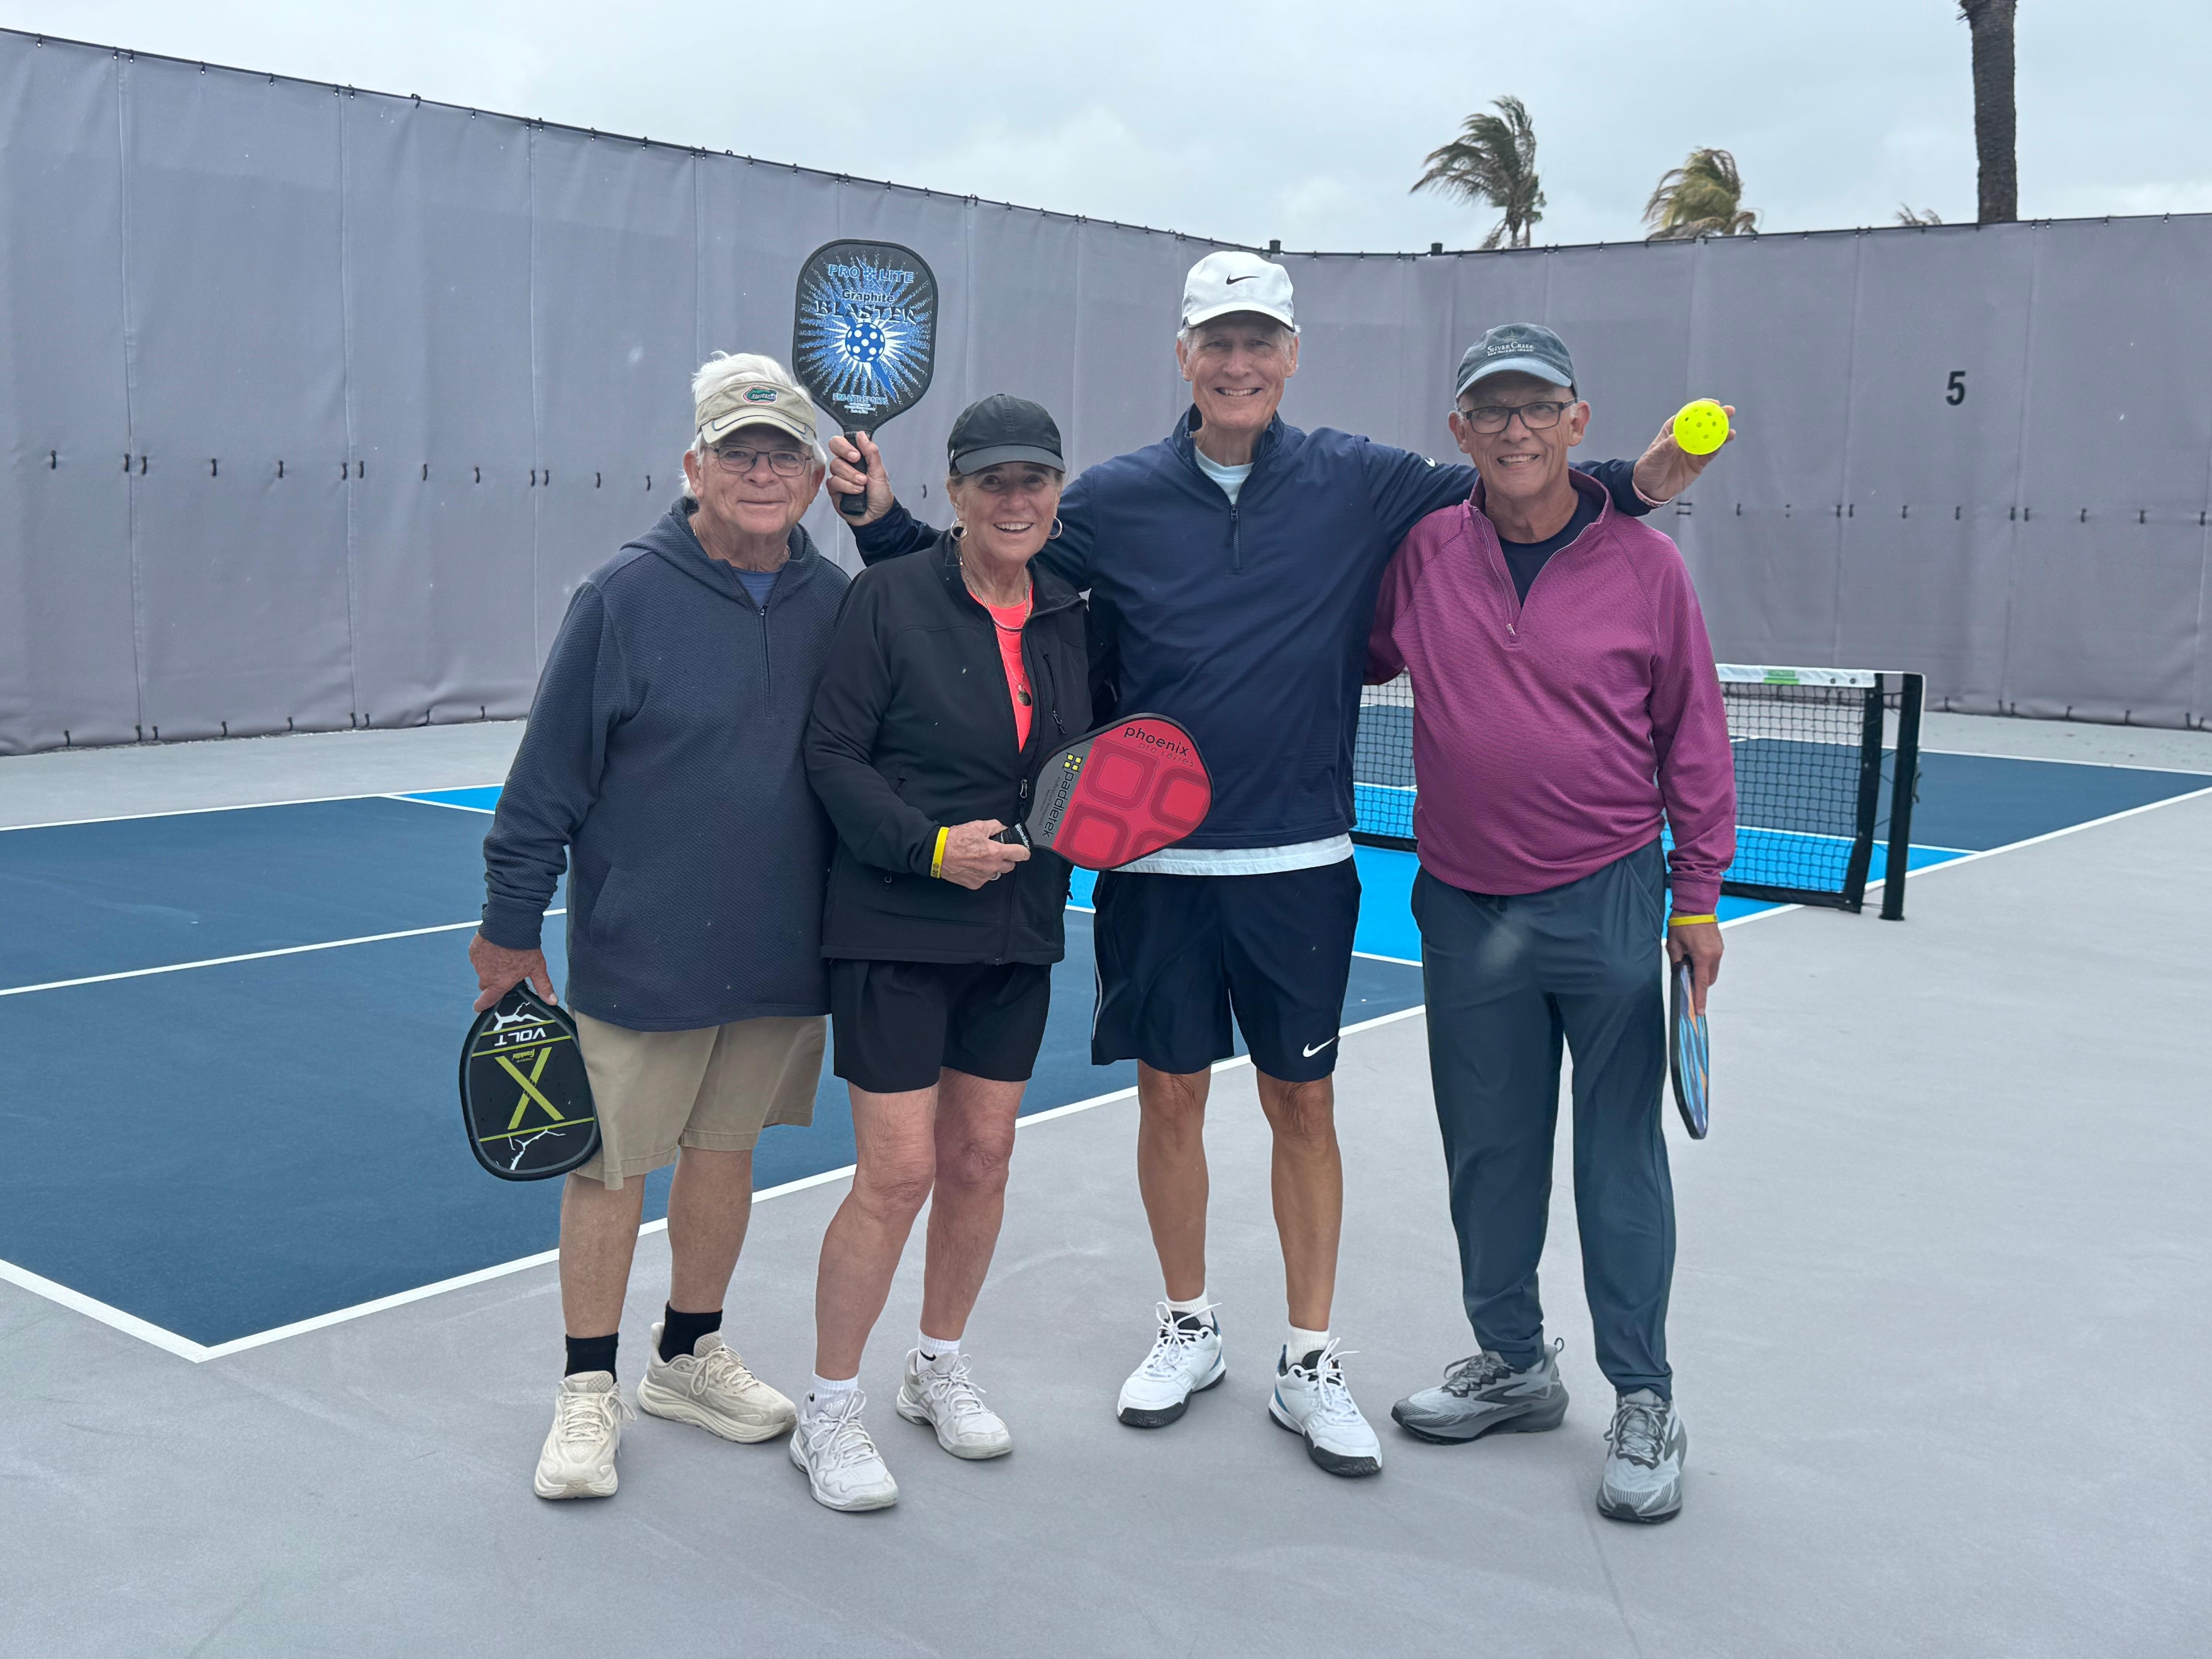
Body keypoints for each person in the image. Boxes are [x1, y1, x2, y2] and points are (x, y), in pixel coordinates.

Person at [827, 253, 1728, 1478]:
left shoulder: (1365, 482)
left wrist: (1644, 477)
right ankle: (1188, 1325)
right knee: (1171, 1097)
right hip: (1154, 862)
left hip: (1302, 861)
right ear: (1186, 356)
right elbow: (985, 560)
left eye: (1261, 340)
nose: (1240, 362)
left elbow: (1527, 482)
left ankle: (1312, 1357)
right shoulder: (1111, 498)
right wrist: (879, 520)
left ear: (1292, 354)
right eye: (1218, 341)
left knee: (1303, 1105)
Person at [1369, 324, 1735, 1524]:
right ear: (1459, 431)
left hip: (1609, 896)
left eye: (1537, 408)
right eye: (1492, 410)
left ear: (1579, 423)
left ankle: (1644, 1393)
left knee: (1616, 1159)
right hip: (1465, 905)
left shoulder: (1648, 567)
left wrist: (1696, 897)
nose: (1515, 429)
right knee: (1489, 1149)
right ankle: (1517, 1362)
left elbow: (1694, 739)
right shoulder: (1425, 550)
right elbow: (1349, 654)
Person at [469, 353, 848, 1501]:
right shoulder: (621, 597)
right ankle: (589, 1388)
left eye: (784, 454)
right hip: (644, 954)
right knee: (608, 1170)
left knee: (725, 1153)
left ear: (819, 476)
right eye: (740, 453)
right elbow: (543, 786)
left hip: (784, 953)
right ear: (696, 465)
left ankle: (687, 1354)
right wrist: (507, 931)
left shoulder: (840, 602)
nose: (762, 473)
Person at [791, 395, 1089, 1512]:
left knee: (982, 1161)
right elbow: (831, 754)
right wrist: (925, 849)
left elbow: (1084, 767)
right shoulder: (887, 598)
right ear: (956, 495)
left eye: (1034, 481)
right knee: (899, 1172)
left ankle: (937, 1366)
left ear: (1057, 494)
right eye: (992, 483)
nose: (1015, 501)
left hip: (1017, 928)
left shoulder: (1070, 610)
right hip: (897, 925)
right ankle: (827, 1411)